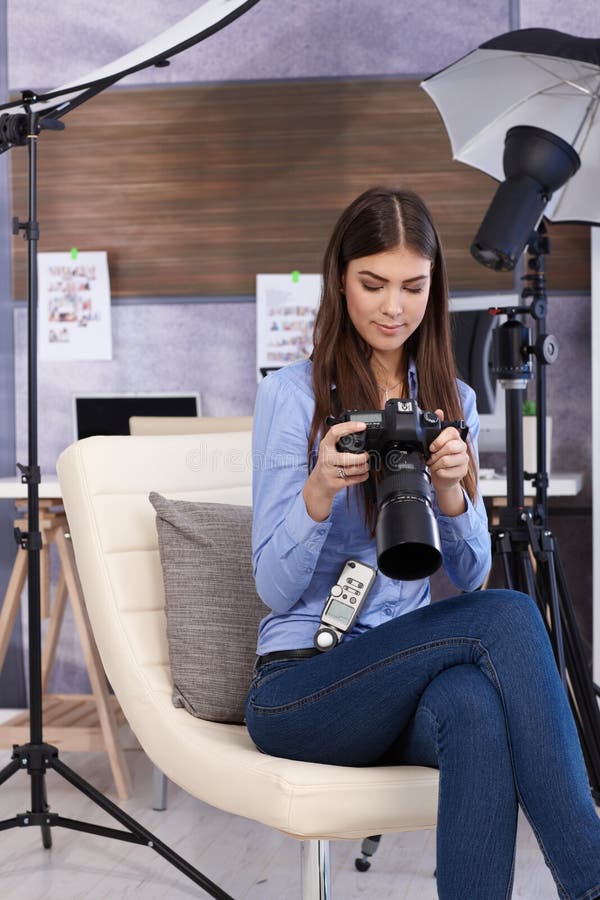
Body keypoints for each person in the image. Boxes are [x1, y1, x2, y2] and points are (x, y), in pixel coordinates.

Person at [245, 187, 600, 900]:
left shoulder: (453, 399)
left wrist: (454, 492)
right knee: (511, 615)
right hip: (301, 684)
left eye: (413, 286)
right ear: (340, 279)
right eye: (372, 283)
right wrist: (318, 492)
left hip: (401, 682)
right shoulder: (292, 396)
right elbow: (275, 590)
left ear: (434, 289)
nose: (392, 307)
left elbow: (467, 578)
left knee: (473, 705)